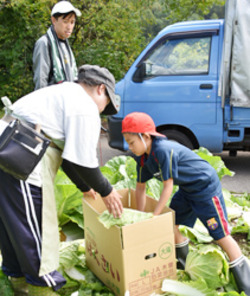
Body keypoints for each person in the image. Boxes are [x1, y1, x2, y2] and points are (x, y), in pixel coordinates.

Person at [0, 65, 123, 295]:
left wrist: (85, 187)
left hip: (7, 148)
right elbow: (85, 162)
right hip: (21, 157)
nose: (103, 110)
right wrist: (107, 191)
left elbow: (69, 156)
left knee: (11, 223)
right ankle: (41, 288)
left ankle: (17, 284)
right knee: (34, 229)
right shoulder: (84, 106)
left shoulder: (62, 93)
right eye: (107, 103)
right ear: (101, 89)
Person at [121, 112, 250, 296]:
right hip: (187, 190)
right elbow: (140, 189)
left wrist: (154, 216)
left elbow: (167, 187)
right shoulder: (142, 159)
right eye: (127, 142)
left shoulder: (163, 150)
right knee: (171, 223)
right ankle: (183, 263)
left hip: (205, 187)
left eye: (132, 142)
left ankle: (246, 284)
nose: (129, 146)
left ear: (146, 136)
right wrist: (140, 219)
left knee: (220, 234)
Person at [33, 1, 81, 90]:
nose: (69, 26)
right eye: (65, 21)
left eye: (72, 22)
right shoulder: (44, 43)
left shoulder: (65, 44)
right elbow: (41, 80)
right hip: (52, 101)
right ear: (54, 20)